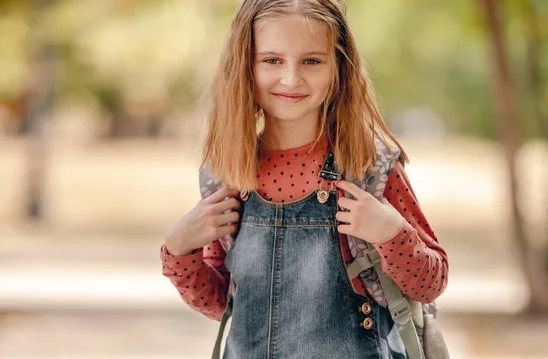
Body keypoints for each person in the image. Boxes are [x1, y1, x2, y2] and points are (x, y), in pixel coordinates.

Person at [161, 0, 448, 358]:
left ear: (338, 68)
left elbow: (430, 284)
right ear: (244, 66)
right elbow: (224, 305)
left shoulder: (369, 168)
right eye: (272, 60)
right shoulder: (225, 176)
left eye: (311, 61)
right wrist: (178, 249)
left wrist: (392, 234)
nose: (292, 78)